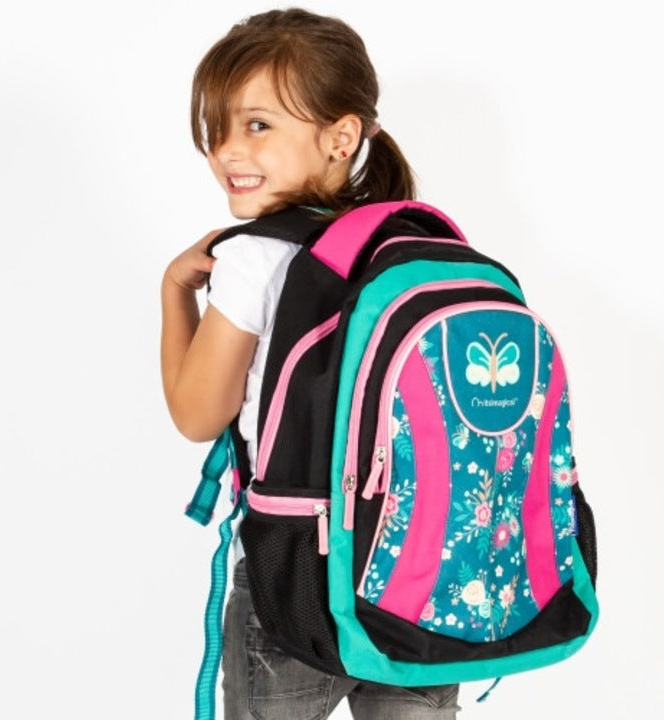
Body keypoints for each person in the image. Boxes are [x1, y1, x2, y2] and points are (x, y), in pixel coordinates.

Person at [161, 8, 461, 719]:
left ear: (342, 136)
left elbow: (196, 414)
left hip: (296, 585)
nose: (228, 151)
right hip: (422, 575)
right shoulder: (417, 249)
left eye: (257, 124)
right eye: (217, 129)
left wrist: (174, 290)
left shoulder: (253, 257)